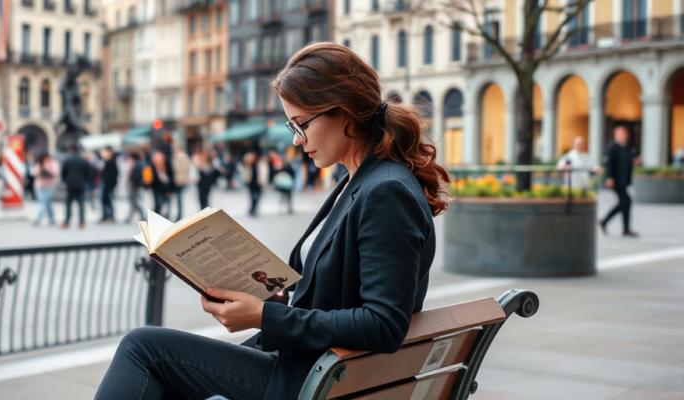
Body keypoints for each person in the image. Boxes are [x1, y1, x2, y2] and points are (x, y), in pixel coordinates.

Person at [95, 42, 449, 400]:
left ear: (342, 113)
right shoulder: (360, 181)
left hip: (316, 382)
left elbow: (382, 324)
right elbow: (336, 293)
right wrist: (270, 295)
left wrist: (265, 316)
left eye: (301, 125)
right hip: (314, 369)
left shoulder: (387, 191)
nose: (297, 140)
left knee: (143, 348)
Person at [600, 126, 639, 237]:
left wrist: (635, 161)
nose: (623, 136)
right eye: (620, 134)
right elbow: (608, 164)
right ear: (616, 135)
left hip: (624, 180)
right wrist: (609, 177)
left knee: (625, 202)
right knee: (626, 201)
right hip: (615, 180)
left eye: (624, 134)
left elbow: (630, 159)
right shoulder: (612, 147)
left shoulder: (626, 147)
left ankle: (607, 222)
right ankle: (612, 224)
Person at [61, 145, 94, 229]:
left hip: (70, 184)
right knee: (81, 204)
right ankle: (81, 223)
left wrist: (65, 180)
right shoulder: (83, 160)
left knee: (68, 204)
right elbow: (90, 171)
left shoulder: (68, 160)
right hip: (81, 184)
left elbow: (63, 172)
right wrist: (86, 181)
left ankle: (67, 222)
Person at [31, 152, 59, 226]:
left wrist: (48, 170)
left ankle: (38, 219)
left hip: (49, 185)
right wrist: (41, 170)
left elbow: (56, 173)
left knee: (43, 202)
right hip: (39, 185)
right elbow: (33, 173)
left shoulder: (53, 163)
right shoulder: (39, 163)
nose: (46, 159)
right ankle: (52, 218)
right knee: (46, 202)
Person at [242, 150, 268, 217]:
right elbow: (245, 173)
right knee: (252, 197)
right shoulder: (248, 164)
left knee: (257, 197)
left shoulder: (260, 163)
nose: (251, 158)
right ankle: (252, 209)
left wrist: (264, 182)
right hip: (251, 183)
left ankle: (253, 209)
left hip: (259, 183)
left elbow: (264, 173)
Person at [171, 143, 193, 221]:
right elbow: (188, 168)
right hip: (184, 179)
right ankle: (180, 214)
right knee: (180, 198)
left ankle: (179, 215)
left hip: (178, 180)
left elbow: (175, 168)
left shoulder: (178, 157)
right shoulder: (186, 157)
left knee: (178, 198)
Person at [124, 152, 146, 223]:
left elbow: (136, 177)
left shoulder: (137, 165)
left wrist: (132, 182)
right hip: (134, 186)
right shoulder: (136, 164)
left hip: (134, 186)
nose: (128, 160)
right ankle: (132, 217)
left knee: (133, 202)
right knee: (133, 202)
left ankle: (132, 217)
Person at [99, 147, 119, 223]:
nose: (103, 154)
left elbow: (114, 175)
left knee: (109, 201)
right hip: (105, 184)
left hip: (109, 185)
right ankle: (105, 216)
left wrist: (112, 185)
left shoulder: (112, 162)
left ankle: (111, 216)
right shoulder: (106, 161)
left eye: (105, 152)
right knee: (104, 201)